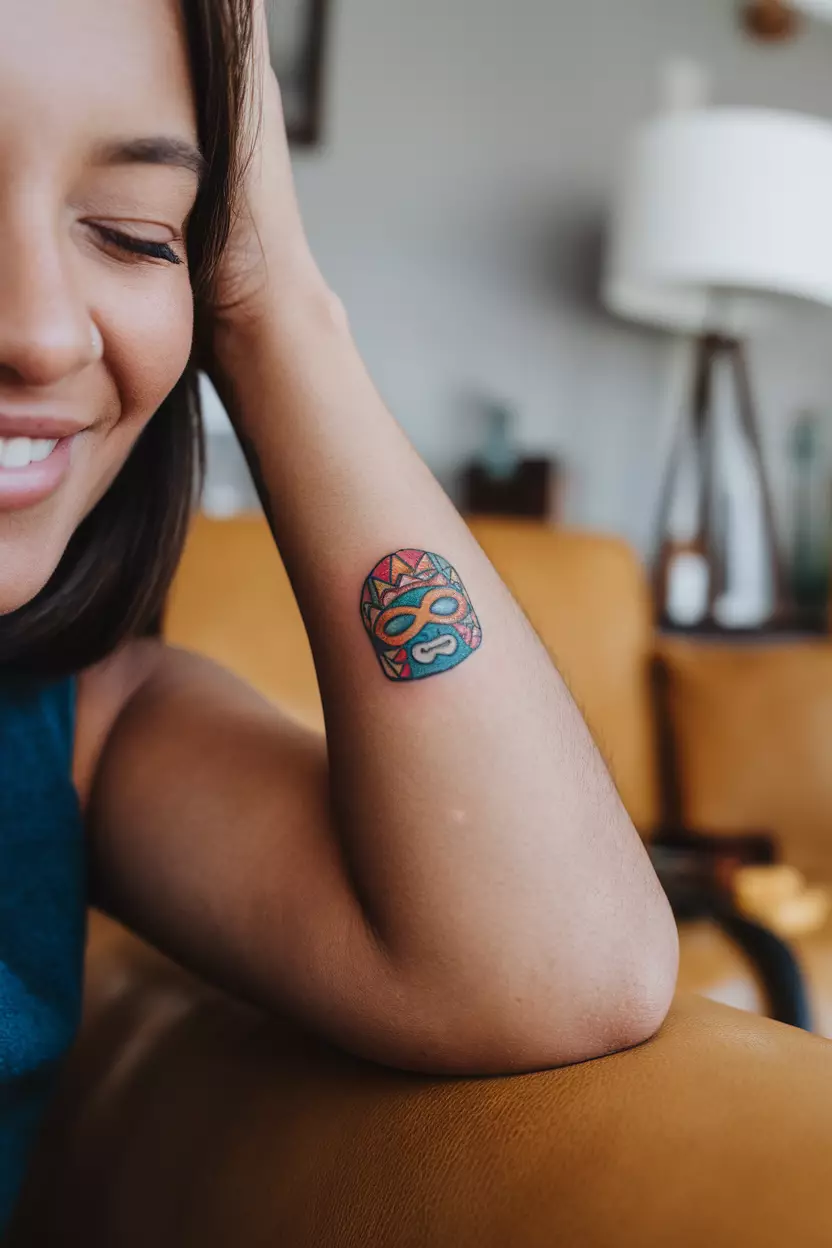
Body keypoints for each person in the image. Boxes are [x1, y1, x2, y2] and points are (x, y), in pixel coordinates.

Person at [0, 0, 678, 1229]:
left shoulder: (80, 733)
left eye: (134, 233)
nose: (43, 331)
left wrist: (276, 313)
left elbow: (559, 969)